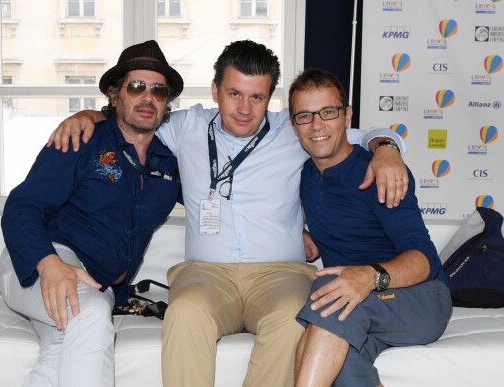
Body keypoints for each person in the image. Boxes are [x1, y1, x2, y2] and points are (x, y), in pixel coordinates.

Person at [48, 40, 408, 387]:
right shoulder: (185, 125)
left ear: (270, 99)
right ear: (215, 90)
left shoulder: (295, 129)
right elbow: (132, 117)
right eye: (235, 93)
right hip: (206, 274)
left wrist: (387, 148)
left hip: (281, 274)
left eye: (257, 97)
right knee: (185, 312)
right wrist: (91, 115)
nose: (245, 108)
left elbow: (357, 135)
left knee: (291, 317)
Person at [0, 40, 183, 387]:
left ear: (166, 102)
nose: (148, 98)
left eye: (158, 90)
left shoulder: (170, 163)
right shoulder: (81, 139)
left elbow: (219, 199)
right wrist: (49, 264)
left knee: (61, 352)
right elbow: (22, 207)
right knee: (91, 314)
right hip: (39, 264)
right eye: (137, 86)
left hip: (98, 286)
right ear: (115, 95)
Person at [289, 68, 452, 387]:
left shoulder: (381, 173)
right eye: (305, 116)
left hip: (421, 296)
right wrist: (299, 231)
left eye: (328, 112)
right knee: (342, 362)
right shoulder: (306, 175)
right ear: (294, 124)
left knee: (329, 296)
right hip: (360, 303)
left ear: (347, 115)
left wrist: (369, 276)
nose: (317, 125)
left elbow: (424, 259)